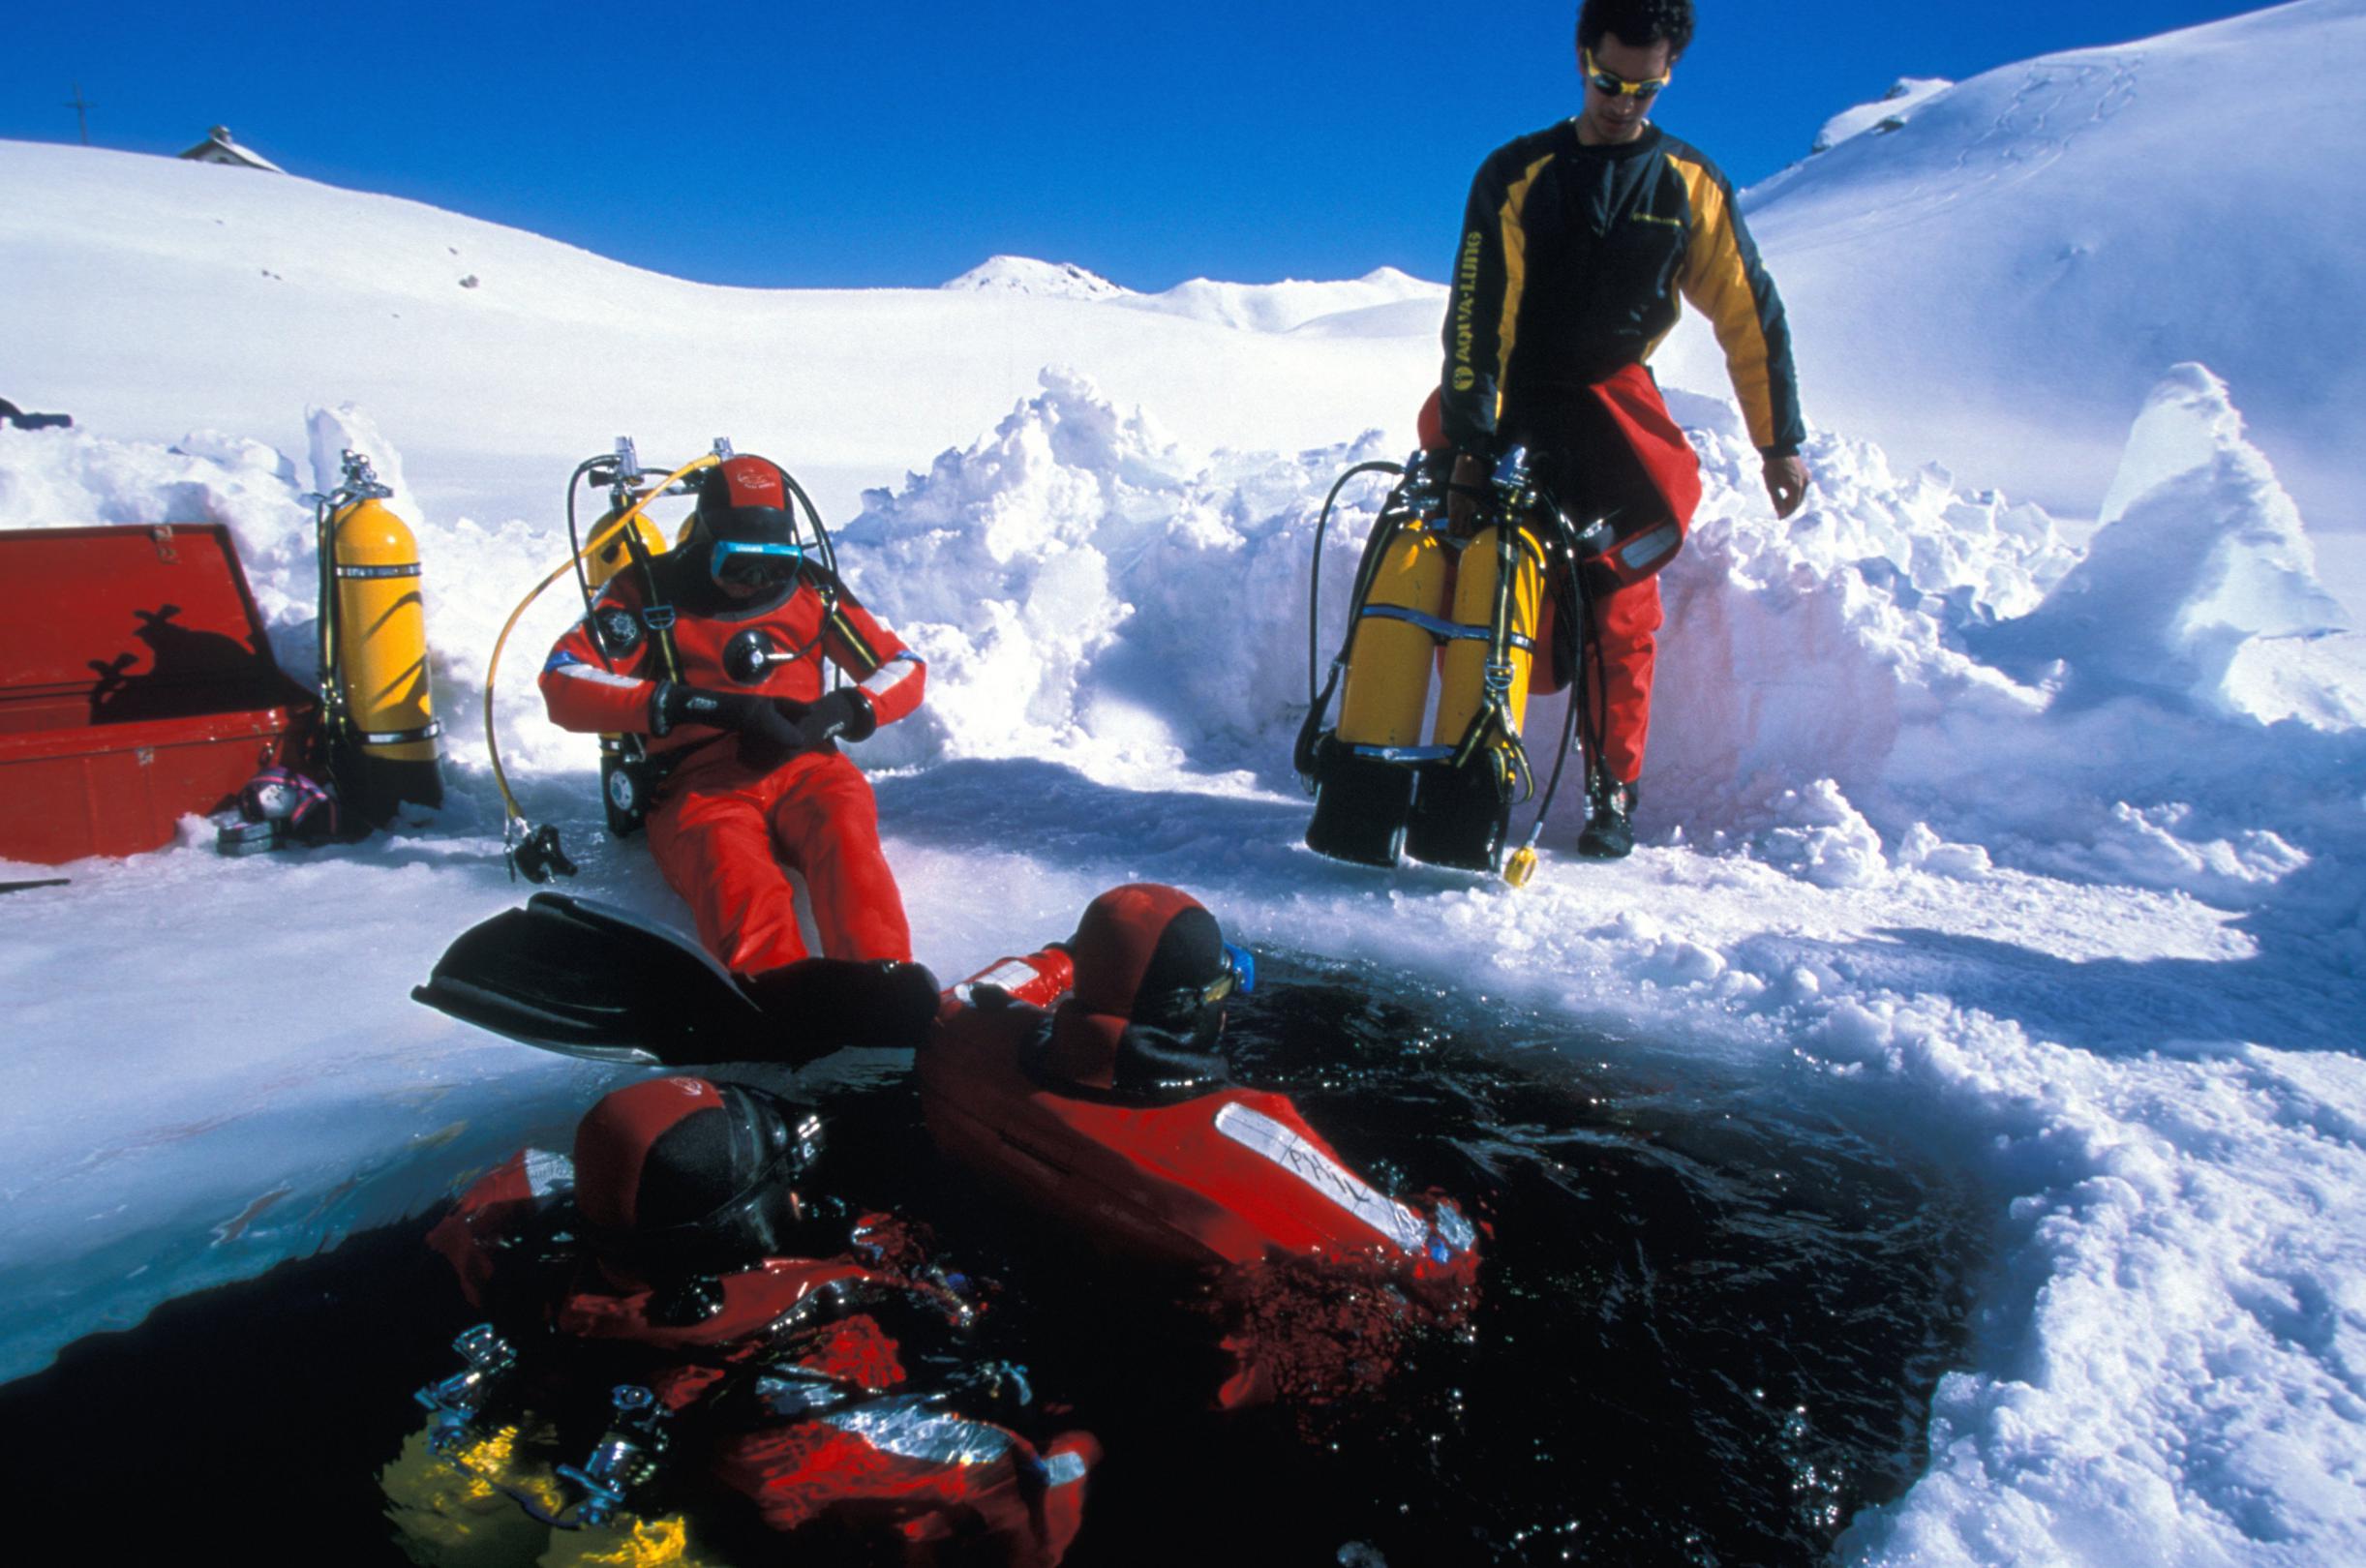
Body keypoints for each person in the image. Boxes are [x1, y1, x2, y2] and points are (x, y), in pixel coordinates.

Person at [387, 1074, 1098, 1565]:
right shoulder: (817, 1352)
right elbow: (1019, 1509)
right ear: (743, 1228)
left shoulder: (517, 1239)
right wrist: (1082, 1428)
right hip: (655, 1531)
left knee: (435, 1511)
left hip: (489, 1450)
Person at [1439, 0, 1809, 859]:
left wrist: (1777, 439)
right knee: (1475, 580)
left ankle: (1613, 790)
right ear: (1581, 59)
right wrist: (1469, 447)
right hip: (1509, 395)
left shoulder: (1688, 183)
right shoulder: (1518, 172)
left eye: (1644, 89)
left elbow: (1750, 316)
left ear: (1667, 75)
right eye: (1609, 82)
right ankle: (1457, 768)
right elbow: (1476, 315)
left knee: (1622, 605)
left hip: (1613, 408)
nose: (1623, 103)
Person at [539, 454, 927, 988]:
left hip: (807, 765)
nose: (757, 580)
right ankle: (777, 995)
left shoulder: (814, 590)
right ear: (704, 542)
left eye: (776, 565)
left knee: (847, 841)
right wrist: (698, 705)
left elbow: (904, 668)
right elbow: (562, 682)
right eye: (738, 565)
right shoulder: (647, 593)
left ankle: (884, 985)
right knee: (733, 871)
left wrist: (840, 710)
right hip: (697, 785)